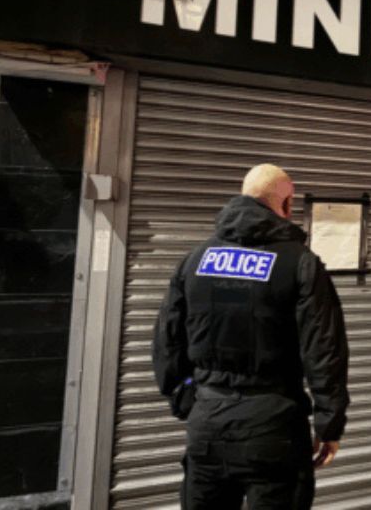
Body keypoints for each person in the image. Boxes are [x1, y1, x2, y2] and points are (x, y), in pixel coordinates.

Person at [152, 164, 349, 509]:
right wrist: (328, 424)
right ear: (286, 205)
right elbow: (324, 350)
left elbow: (167, 340)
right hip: (275, 428)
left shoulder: (195, 260)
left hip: (208, 423)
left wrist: (186, 398)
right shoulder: (301, 264)